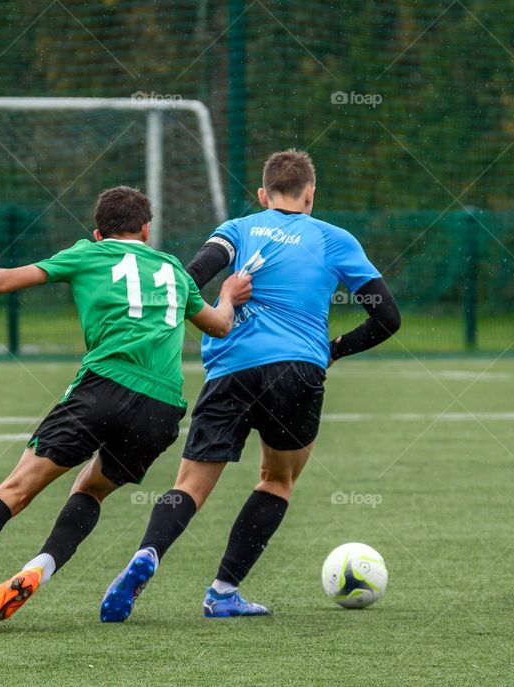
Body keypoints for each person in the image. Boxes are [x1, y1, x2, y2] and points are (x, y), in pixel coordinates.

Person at [0, 185, 251, 630]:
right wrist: (227, 293)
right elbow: (221, 324)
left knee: (15, 490)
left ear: (98, 233)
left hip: (102, 389)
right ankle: (39, 568)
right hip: (162, 407)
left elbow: (3, 281)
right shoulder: (172, 267)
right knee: (89, 491)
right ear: (146, 229)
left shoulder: (87, 254)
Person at [101, 150, 401, 621]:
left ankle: (148, 554)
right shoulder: (332, 238)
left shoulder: (238, 230)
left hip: (230, 370)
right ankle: (223, 592)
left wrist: (219, 305)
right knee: (276, 480)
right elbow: (387, 318)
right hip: (297, 371)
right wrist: (333, 349)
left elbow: (186, 281)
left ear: (263, 196)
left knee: (192, 485)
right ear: (310, 195)